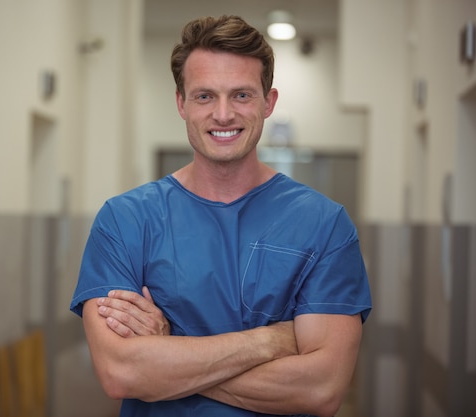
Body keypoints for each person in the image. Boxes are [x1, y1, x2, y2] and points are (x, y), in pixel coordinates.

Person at [70, 15, 372, 417]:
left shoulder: (324, 224)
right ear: (181, 103)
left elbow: (321, 389)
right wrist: (271, 341)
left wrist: (166, 351)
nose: (224, 114)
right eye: (205, 96)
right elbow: (121, 372)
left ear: (269, 102)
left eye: (242, 95)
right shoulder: (125, 221)